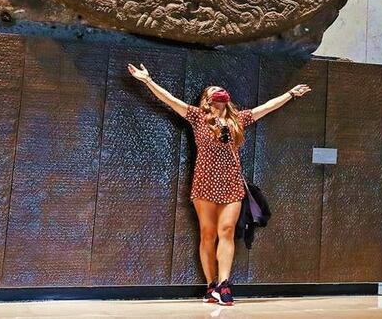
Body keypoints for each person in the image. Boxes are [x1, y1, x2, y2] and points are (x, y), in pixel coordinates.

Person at [126, 62, 310, 306]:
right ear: (207, 99)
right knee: (207, 235)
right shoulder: (197, 116)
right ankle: (211, 285)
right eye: (213, 90)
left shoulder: (238, 120)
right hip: (204, 183)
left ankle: (224, 284)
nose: (218, 91)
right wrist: (147, 81)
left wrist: (289, 94)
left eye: (221, 89)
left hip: (231, 183)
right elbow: (170, 100)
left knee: (227, 231)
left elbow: (265, 108)